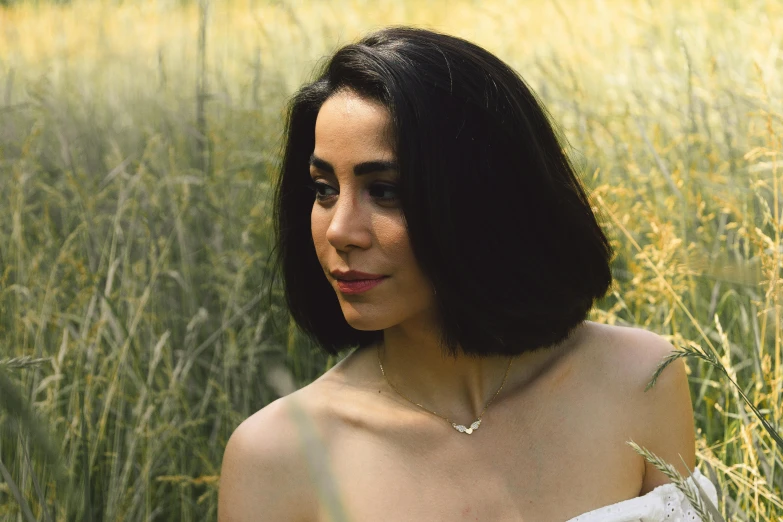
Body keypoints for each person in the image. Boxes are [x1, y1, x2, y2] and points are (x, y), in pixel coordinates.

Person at [218, 26, 719, 521]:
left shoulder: (639, 378)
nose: (340, 231)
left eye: (386, 191)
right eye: (324, 189)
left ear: (483, 200)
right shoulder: (278, 457)